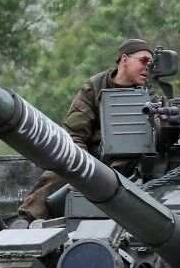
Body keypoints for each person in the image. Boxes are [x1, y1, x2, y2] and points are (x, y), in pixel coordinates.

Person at [16, 38, 154, 220]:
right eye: (143, 61)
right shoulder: (95, 87)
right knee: (55, 174)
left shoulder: (149, 95)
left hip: (128, 164)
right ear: (125, 59)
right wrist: (82, 167)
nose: (147, 67)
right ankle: (24, 221)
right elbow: (74, 132)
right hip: (91, 158)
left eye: (150, 64)